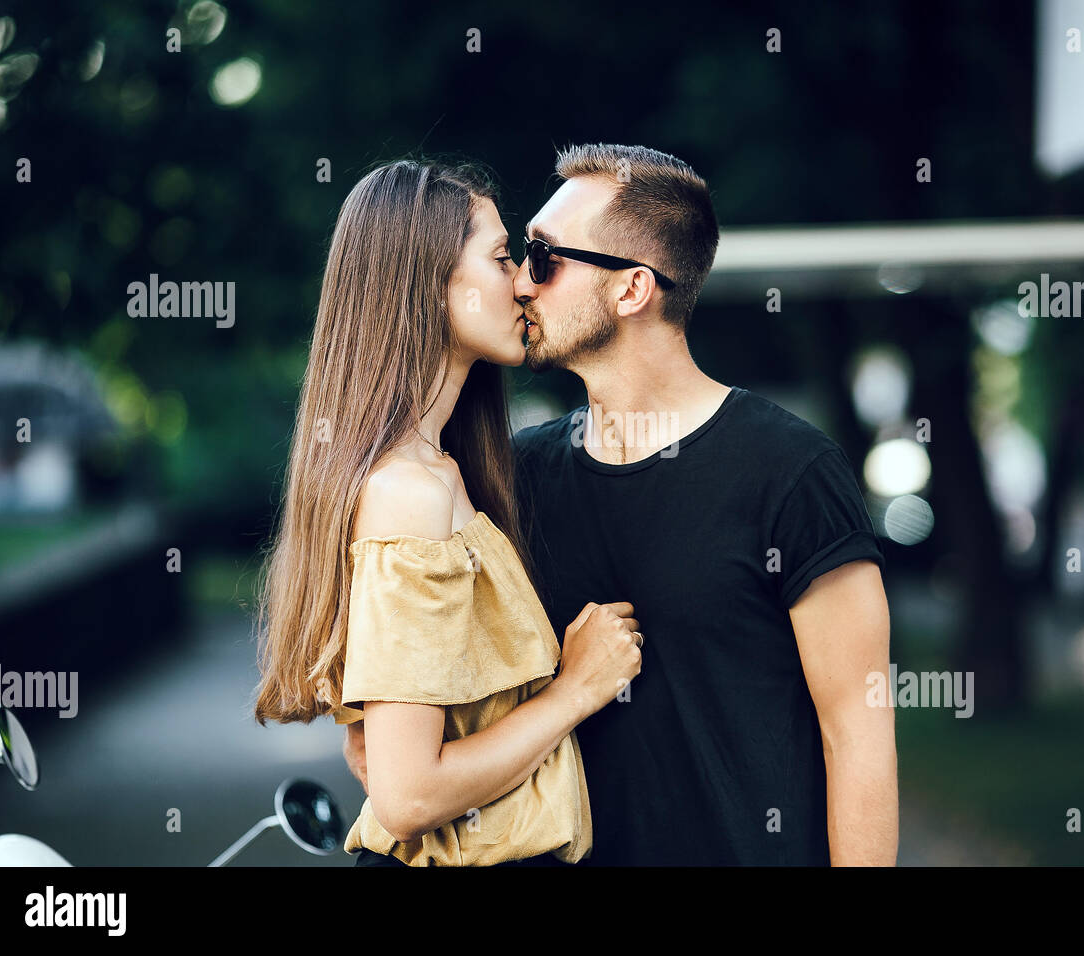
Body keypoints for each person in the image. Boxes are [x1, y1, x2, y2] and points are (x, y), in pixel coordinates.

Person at [347, 143, 898, 866]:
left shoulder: (792, 473)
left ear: (632, 289)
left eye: (542, 258)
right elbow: (410, 745)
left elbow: (856, 736)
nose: (520, 283)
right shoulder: (507, 482)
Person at [252, 158, 643, 867]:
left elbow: (393, 742)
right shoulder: (410, 494)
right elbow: (407, 796)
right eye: (501, 259)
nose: (526, 281)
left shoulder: (438, 471)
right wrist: (577, 690)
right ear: (429, 288)